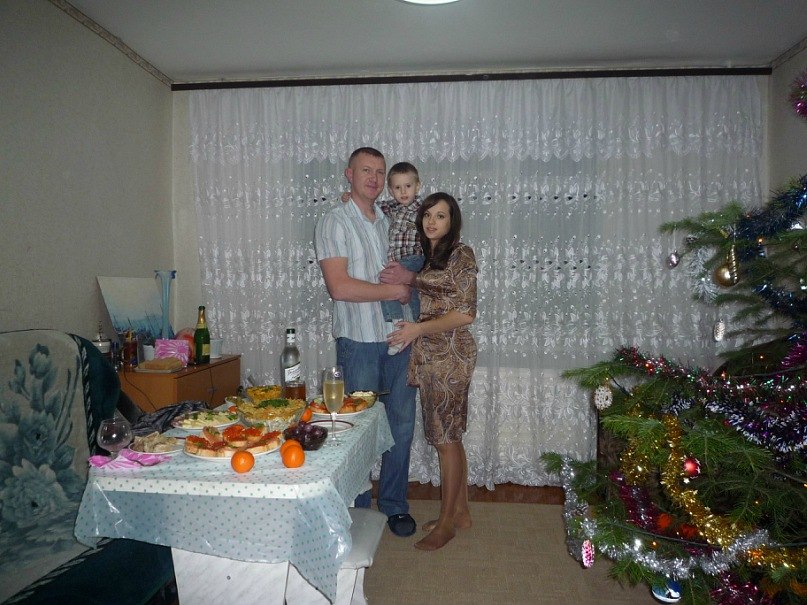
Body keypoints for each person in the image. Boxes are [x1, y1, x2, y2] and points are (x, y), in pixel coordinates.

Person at [314, 146, 418, 538]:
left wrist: (409, 282)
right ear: (349, 174)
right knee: (355, 430)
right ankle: (356, 510)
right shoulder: (334, 221)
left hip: (400, 337)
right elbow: (339, 287)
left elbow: (419, 259)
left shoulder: (393, 219)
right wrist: (393, 292)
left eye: (379, 172)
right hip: (358, 342)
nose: (373, 178)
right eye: (365, 170)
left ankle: (394, 505)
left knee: (401, 426)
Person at [383, 192, 478, 551]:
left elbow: (466, 313)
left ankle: (446, 523)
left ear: (452, 222)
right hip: (432, 357)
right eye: (427, 215)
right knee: (450, 437)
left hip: (450, 356)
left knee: (445, 441)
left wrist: (417, 329)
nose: (432, 221)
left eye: (440, 216)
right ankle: (461, 513)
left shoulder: (461, 254)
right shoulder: (430, 257)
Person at [343, 162, 425, 353]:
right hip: (400, 260)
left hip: (414, 257)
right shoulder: (391, 207)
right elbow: (369, 206)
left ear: (417, 186)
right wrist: (349, 198)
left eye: (408, 186)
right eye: (397, 188)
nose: (403, 192)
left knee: (387, 284)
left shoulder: (422, 208)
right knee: (406, 293)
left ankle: (398, 323)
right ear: (390, 190)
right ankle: (410, 324)